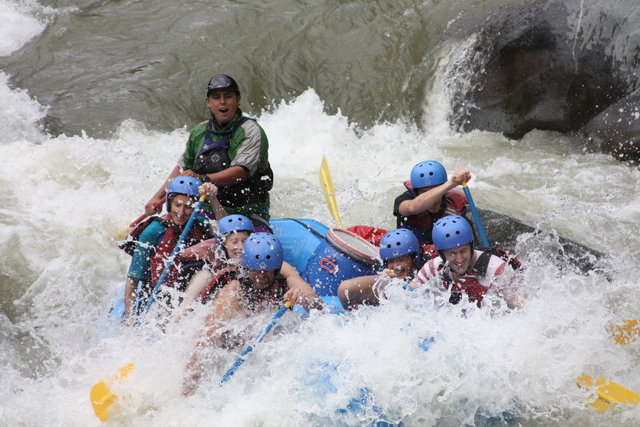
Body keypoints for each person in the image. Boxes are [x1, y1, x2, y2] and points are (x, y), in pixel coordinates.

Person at [182, 233, 322, 395]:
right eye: (256, 269)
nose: (261, 275)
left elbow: (317, 305)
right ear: (247, 266)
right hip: (228, 346)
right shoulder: (233, 293)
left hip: (262, 341)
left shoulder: (282, 271)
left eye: (267, 270)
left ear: (276, 268)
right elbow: (202, 346)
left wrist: (303, 297)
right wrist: (187, 393)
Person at [144, 74, 273, 231]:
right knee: (159, 231)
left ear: (238, 100)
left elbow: (241, 172)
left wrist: (202, 178)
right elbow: (182, 168)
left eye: (228, 96)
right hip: (206, 209)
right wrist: (157, 198)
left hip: (248, 211)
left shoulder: (251, 131)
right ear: (208, 103)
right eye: (216, 97)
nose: (222, 102)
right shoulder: (199, 131)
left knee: (251, 249)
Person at [123, 176, 217, 324]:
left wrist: (213, 199)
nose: (181, 212)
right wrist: (130, 321)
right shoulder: (153, 231)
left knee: (206, 273)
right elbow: (133, 279)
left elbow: (229, 234)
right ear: (169, 204)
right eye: (177, 205)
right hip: (158, 299)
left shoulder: (202, 225)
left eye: (188, 206)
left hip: (190, 296)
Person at [407, 215, 524, 309]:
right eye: (452, 253)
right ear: (441, 254)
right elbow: (404, 297)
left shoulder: (497, 269)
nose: (459, 259)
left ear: (471, 246)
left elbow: (523, 308)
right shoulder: (433, 267)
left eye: (463, 251)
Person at [337, 228, 424, 310]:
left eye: (401, 260)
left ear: (414, 259)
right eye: (390, 261)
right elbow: (345, 289)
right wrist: (381, 280)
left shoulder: (428, 274)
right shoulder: (387, 277)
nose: (396, 267)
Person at [393, 160, 472, 245]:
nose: (433, 199)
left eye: (436, 191)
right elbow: (411, 208)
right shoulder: (405, 200)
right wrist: (452, 183)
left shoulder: (455, 206)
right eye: (425, 192)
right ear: (416, 192)